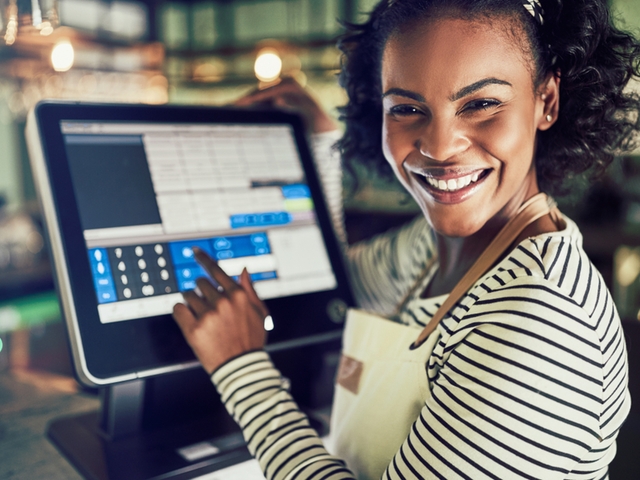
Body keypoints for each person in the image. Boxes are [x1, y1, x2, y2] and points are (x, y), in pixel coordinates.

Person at [172, 0, 640, 478]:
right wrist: (320, 145)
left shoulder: (542, 321)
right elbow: (338, 286)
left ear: (547, 101)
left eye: (480, 104)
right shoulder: (433, 250)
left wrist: (243, 371)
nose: (439, 147)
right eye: (408, 108)